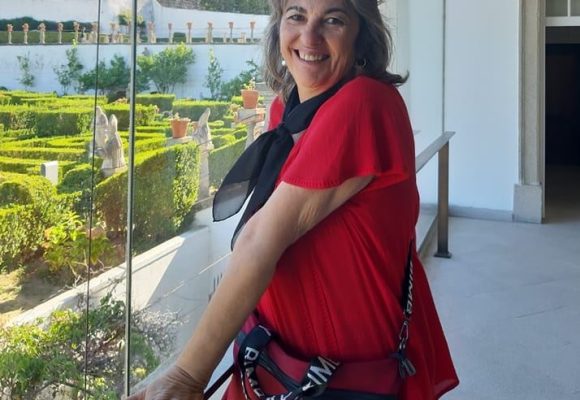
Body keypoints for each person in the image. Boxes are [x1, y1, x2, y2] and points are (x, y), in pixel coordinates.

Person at [128, 0, 459, 399]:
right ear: (278, 26)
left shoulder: (365, 102)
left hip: (334, 378)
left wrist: (186, 376)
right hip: (271, 359)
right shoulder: (287, 109)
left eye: (333, 20)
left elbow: (260, 240)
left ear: (361, 34)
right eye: (296, 15)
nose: (309, 36)